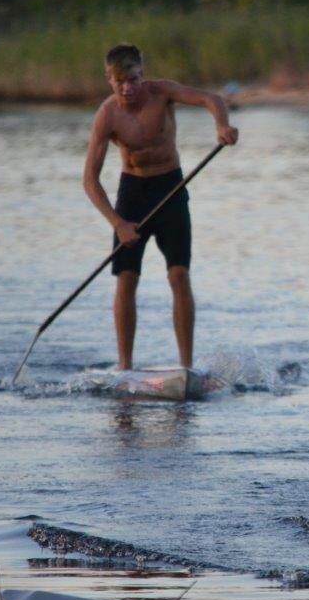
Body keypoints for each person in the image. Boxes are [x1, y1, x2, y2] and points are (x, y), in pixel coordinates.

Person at [82, 44, 238, 370]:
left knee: (179, 275)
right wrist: (118, 224)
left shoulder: (162, 93)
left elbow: (213, 99)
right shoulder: (107, 115)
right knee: (126, 278)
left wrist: (221, 126)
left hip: (171, 188)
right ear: (110, 80)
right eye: (121, 81)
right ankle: (125, 367)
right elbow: (90, 182)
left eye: (135, 79)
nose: (129, 88)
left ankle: (186, 367)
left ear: (143, 75)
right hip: (132, 195)